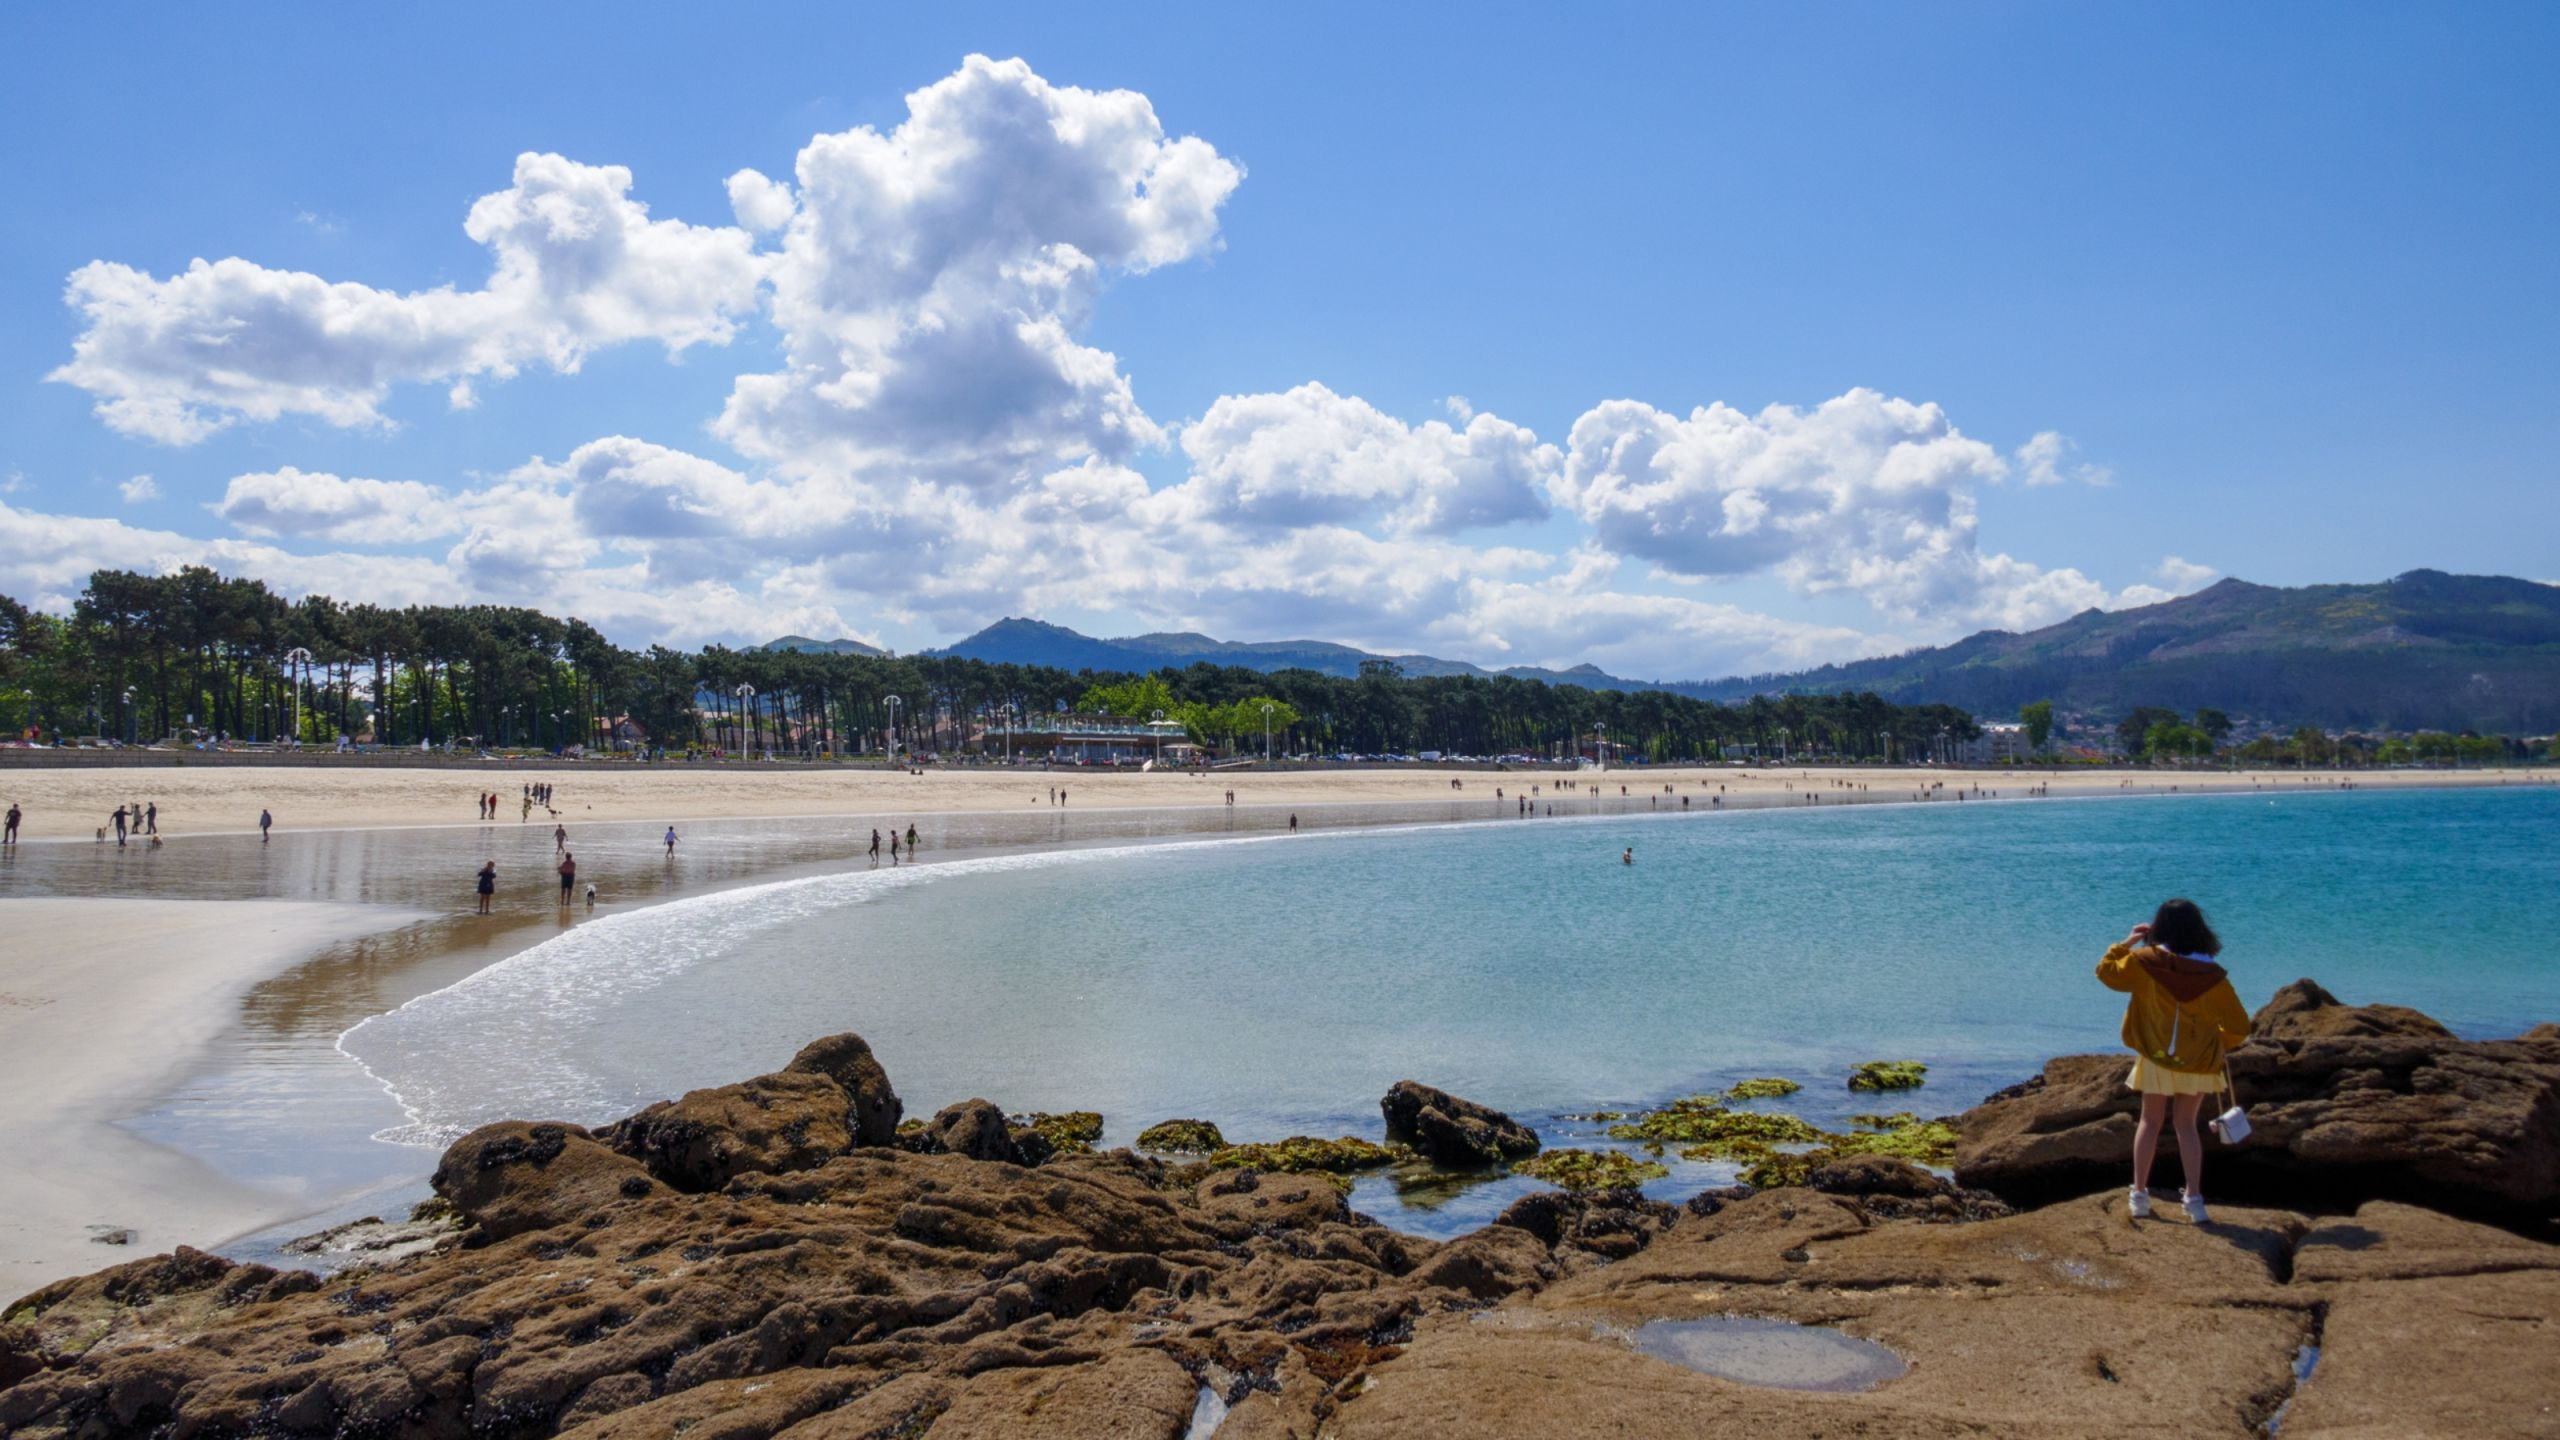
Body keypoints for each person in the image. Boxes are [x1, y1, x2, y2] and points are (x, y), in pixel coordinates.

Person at [2097, 899, 2251, 1224]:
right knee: (2186, 1127)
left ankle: (2139, 1196)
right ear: (2200, 930)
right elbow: (2239, 1027)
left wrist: (2127, 942)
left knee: (2149, 1123)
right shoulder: (2213, 976)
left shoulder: (2145, 962)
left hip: (2155, 1057)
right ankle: (2194, 1202)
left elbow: (2106, 973)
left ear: (2160, 928)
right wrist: (2213, 1043)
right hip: (2197, 1063)